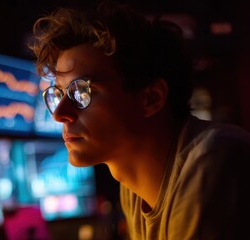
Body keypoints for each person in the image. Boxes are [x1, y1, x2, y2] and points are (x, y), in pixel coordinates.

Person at [29, 1, 250, 239]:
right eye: (59, 94)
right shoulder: (133, 190)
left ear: (151, 99)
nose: (59, 113)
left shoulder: (215, 158)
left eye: (81, 91)